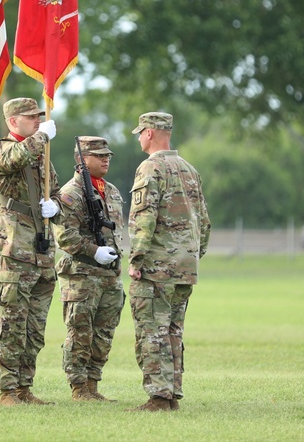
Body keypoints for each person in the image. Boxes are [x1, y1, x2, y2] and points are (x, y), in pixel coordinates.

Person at [0, 97, 61, 406]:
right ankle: (8, 390)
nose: (38, 120)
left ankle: (25, 387)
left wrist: (58, 206)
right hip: (12, 247)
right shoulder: (1, 149)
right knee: (11, 324)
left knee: (34, 327)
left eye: (39, 116)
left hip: (40, 246)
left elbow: (54, 187)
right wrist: (41, 138)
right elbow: (13, 160)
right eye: (30, 117)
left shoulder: (42, 154)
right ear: (13, 122)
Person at [126, 111, 211, 412]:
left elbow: (144, 218)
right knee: (174, 331)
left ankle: (158, 397)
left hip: (157, 266)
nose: (138, 138)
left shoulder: (150, 168)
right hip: (185, 267)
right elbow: (204, 222)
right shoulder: (189, 168)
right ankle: (172, 393)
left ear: (149, 133)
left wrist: (136, 257)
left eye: (140, 132)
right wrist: (192, 256)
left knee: (152, 330)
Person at [54, 136, 125, 402]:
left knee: (104, 333)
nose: (106, 159)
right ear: (82, 160)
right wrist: (95, 251)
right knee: (80, 332)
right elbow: (65, 236)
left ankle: (93, 384)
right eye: (100, 155)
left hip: (109, 274)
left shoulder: (112, 190)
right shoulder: (71, 193)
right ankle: (79, 387)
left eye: (108, 155)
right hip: (82, 274)